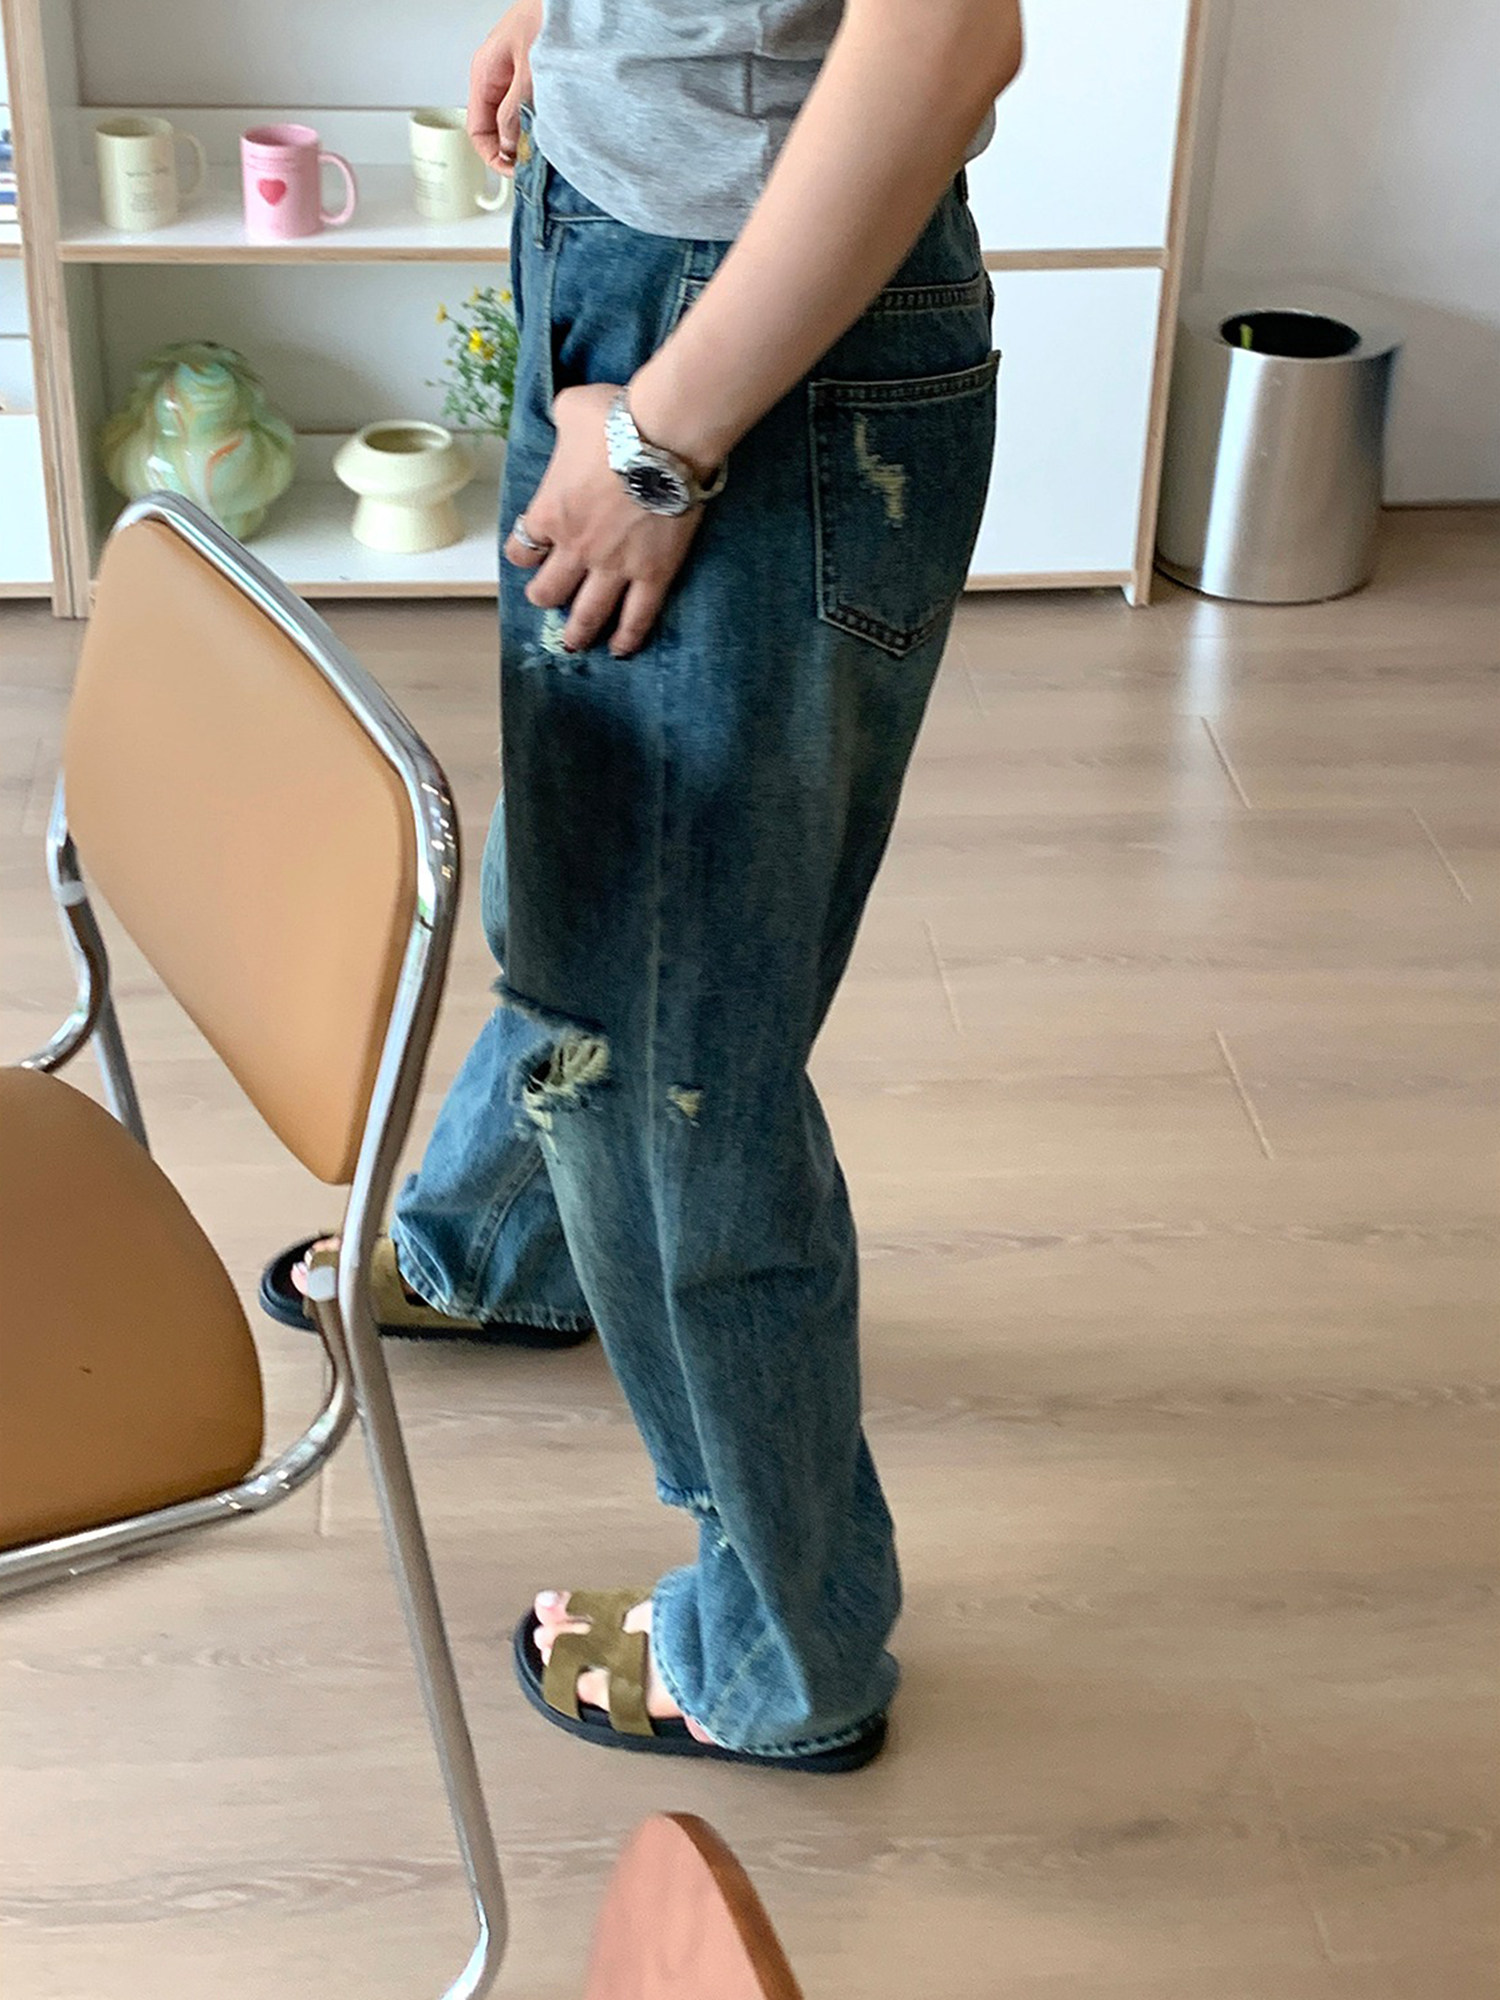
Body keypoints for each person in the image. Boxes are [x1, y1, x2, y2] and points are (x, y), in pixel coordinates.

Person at [264, 0, 1023, 1771]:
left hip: (743, 334)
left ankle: (784, 1647)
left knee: (678, 1065)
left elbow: (943, 37)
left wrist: (663, 439)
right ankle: (495, 1245)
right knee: (598, 891)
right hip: (626, 255)